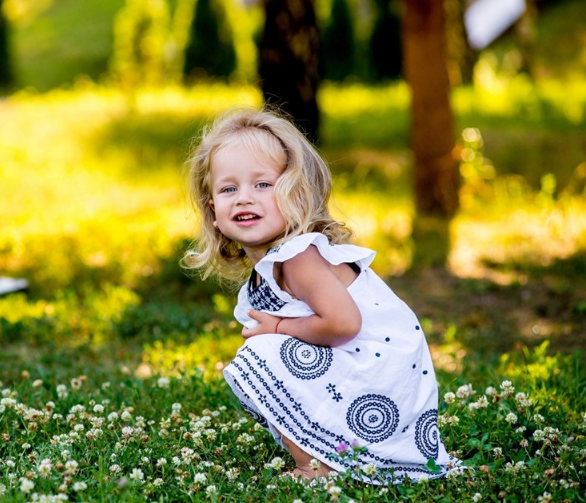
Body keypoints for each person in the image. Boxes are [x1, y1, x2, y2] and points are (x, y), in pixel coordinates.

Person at [183, 108, 460, 484]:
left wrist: (278, 328)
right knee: (265, 358)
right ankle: (333, 451)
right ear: (213, 209)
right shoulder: (274, 265)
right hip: (369, 380)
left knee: (262, 353)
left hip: (381, 376)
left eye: (262, 185)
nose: (244, 198)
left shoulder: (299, 258)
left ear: (294, 194)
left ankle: (317, 466)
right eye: (229, 189)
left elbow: (344, 323)